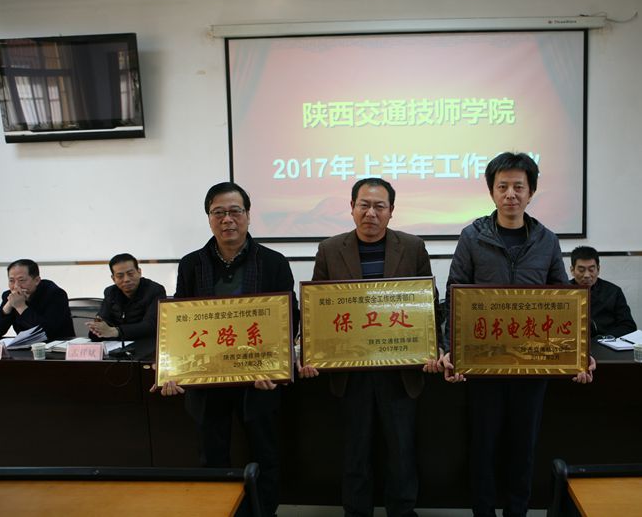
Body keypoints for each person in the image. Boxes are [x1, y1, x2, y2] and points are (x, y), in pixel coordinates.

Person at [444, 152, 595, 517]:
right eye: (503, 187)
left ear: (531, 192)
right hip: (483, 364)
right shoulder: (472, 237)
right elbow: (454, 295)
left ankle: (517, 512)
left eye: (518, 187)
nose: (510, 194)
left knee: (523, 447)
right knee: (483, 446)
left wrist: (580, 351)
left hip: (531, 366)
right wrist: (451, 350)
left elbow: (564, 300)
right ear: (491, 192)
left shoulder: (546, 240)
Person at [152, 182, 298, 517]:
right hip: (207, 381)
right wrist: (171, 367)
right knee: (212, 456)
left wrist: (276, 365)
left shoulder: (273, 262)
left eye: (235, 211)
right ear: (209, 218)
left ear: (248, 215)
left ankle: (265, 513)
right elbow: (181, 320)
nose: (227, 219)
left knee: (266, 454)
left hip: (259, 379)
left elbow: (289, 316)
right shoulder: (192, 263)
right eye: (218, 212)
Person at [301, 177, 443, 517]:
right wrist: (309, 352)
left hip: (400, 370)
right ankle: (356, 511)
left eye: (380, 206)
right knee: (355, 452)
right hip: (351, 372)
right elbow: (316, 309)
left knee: (402, 452)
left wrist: (432, 348)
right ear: (351, 208)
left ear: (391, 211)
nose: (371, 213)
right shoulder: (330, 250)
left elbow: (429, 305)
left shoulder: (412, 247)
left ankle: (402, 511)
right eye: (364, 205)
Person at [87, 253, 167, 347]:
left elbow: (151, 325)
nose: (126, 279)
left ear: (139, 272)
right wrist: (97, 329)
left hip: (147, 345)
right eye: (120, 276)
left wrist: (115, 331)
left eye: (130, 273)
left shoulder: (155, 290)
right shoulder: (110, 292)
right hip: (117, 346)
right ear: (113, 278)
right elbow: (103, 320)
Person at [0, 259, 74, 340]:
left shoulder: (55, 294)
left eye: (21, 280)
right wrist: (8, 305)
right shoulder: (10, 296)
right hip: (24, 347)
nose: (16, 286)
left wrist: (21, 307)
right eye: (11, 281)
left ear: (36, 280)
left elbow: (47, 332)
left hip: (57, 346)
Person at [569, 245, 637, 338]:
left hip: (605, 343)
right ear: (572, 270)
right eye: (581, 270)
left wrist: (605, 338)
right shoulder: (562, 293)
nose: (587, 275)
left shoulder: (613, 292)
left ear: (598, 269)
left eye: (591, 270)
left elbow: (628, 326)